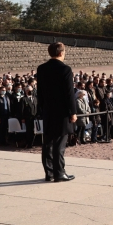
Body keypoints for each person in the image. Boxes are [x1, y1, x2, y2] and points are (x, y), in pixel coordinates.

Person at [36, 42, 77, 182]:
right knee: (59, 144)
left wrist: (42, 108)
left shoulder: (41, 69)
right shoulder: (65, 69)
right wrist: (73, 112)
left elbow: (39, 92)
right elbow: (69, 94)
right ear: (61, 53)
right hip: (62, 112)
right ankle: (59, 172)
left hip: (48, 110)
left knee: (47, 143)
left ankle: (49, 173)